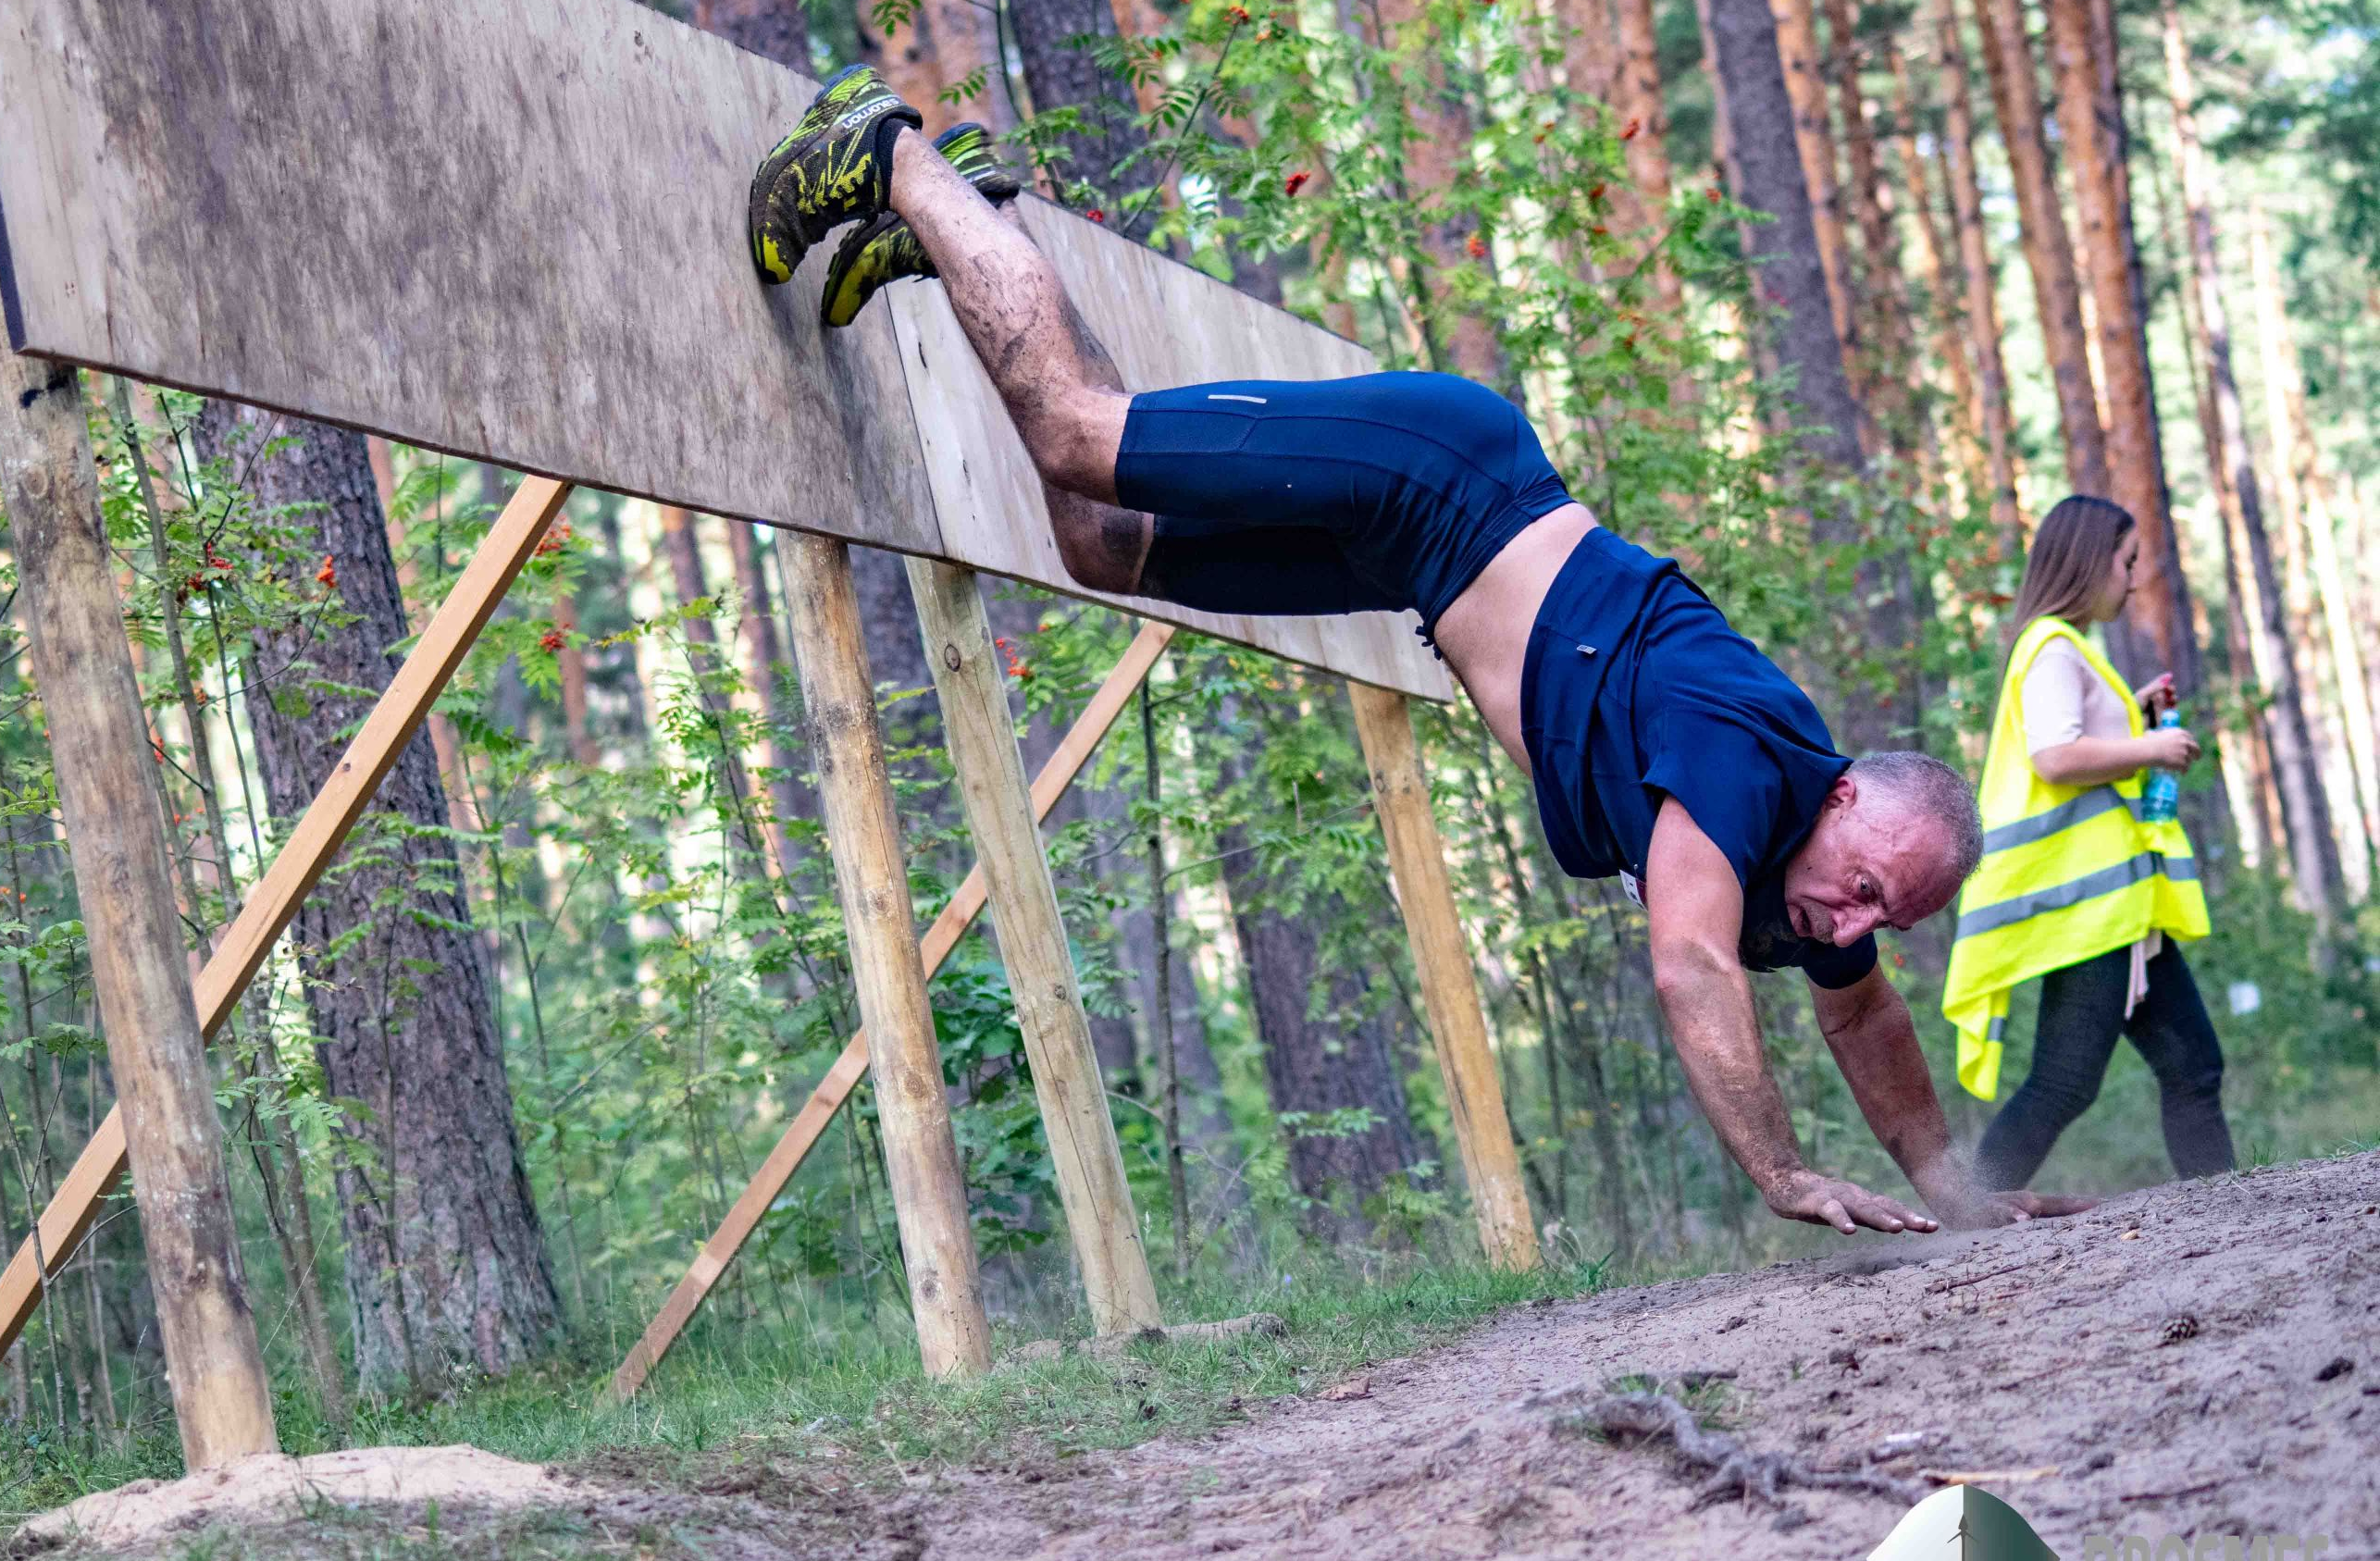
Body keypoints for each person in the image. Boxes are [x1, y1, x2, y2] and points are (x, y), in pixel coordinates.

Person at [746, 68, 2092, 1235]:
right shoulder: (1750, 775)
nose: (1852, 926)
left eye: (1884, 919)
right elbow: (1688, 958)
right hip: (1441, 476)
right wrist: (1783, 1168)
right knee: (1078, 437)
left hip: (1421, 559)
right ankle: (890, 149)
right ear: (1845, 792)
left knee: (1104, 542)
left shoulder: (1816, 870)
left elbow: (1865, 1017)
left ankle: (966, 219)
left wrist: (1951, 1184)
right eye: (1864, 889)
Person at [1942, 496, 2229, 1189]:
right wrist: (2151, 746)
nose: (2133, 580)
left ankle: (2229, 1212)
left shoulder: (2063, 648)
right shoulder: (2051, 646)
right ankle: (1965, 1215)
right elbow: (2054, 757)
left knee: (2194, 1065)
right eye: (2127, 561)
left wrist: (2132, 710)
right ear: (2090, 559)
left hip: (2113, 908)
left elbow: (2068, 741)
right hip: (2091, 911)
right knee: (2064, 1083)